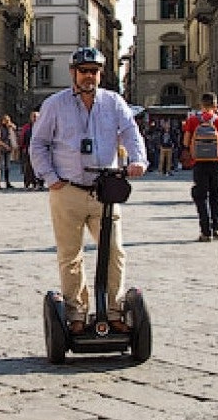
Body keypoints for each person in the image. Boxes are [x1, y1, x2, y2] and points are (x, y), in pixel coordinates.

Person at [29, 47, 147, 334]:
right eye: (83, 71)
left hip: (106, 190)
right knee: (70, 254)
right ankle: (76, 313)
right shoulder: (55, 104)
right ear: (73, 73)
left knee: (115, 251)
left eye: (93, 71)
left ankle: (114, 310)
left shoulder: (114, 102)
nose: (88, 76)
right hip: (67, 189)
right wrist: (49, 176)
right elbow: (38, 143)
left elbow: (131, 132)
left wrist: (138, 160)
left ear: (100, 73)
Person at [183, 92, 218, 242]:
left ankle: (205, 231)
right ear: (216, 104)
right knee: (216, 196)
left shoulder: (192, 121)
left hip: (199, 163)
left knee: (201, 196)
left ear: (201, 105)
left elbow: (186, 142)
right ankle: (216, 228)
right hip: (216, 162)